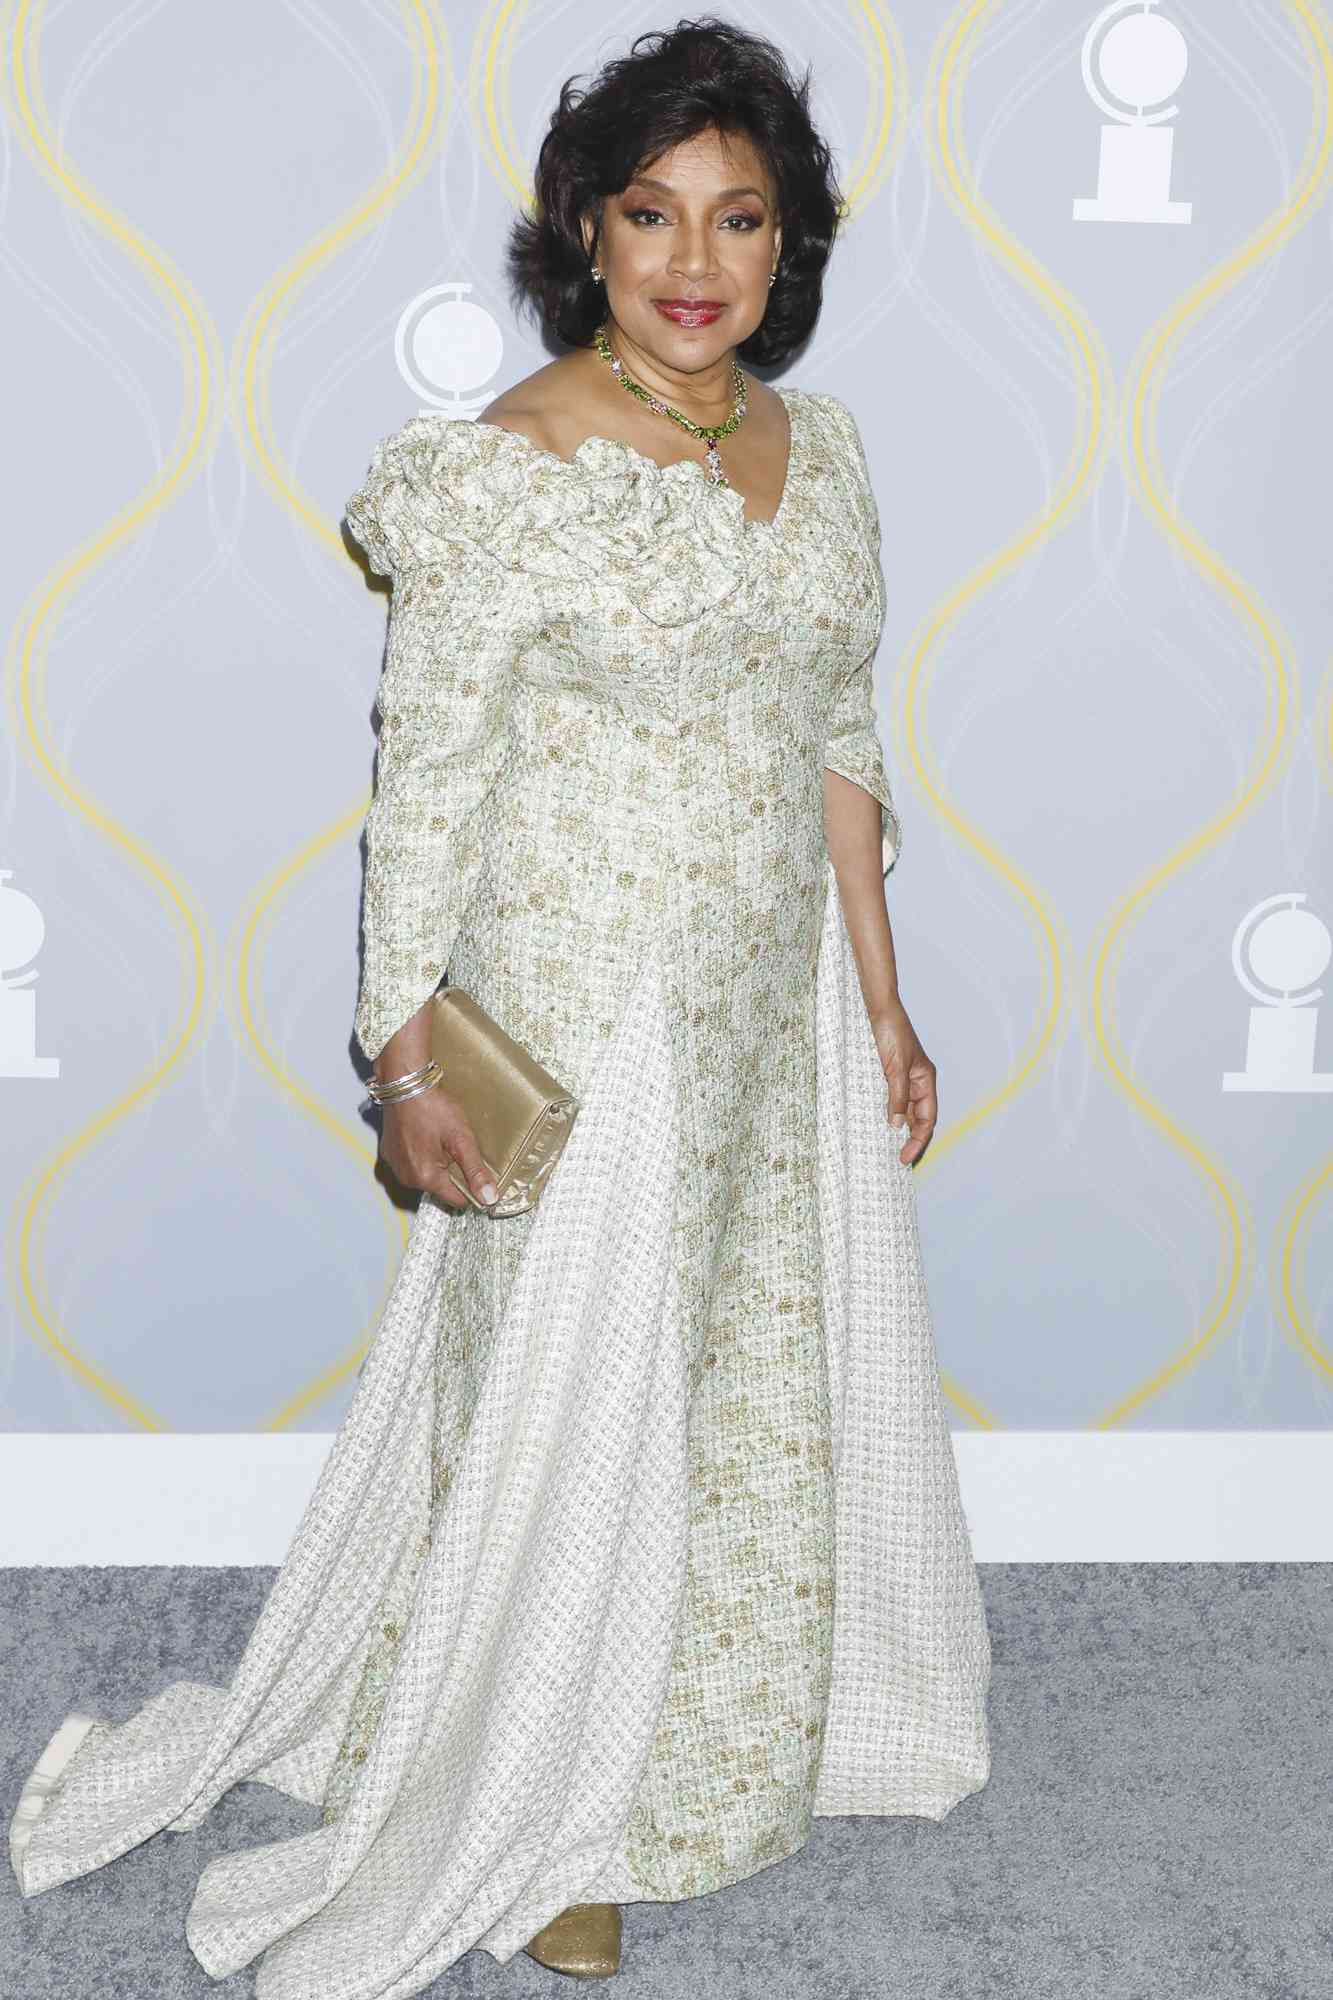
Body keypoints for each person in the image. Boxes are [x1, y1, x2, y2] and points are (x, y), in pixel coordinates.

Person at [7, 19, 991, 1997]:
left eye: (739, 217)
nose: (694, 260)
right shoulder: (501, 473)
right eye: (650, 214)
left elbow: (836, 734)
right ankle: (542, 1808)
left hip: (768, 1005)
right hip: (579, 998)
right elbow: (429, 769)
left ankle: (693, 1758)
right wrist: (397, 1055)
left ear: (787, 242)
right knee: (558, 1402)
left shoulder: (829, 453)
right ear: (584, 230)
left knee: (727, 1389)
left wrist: (879, 1005)